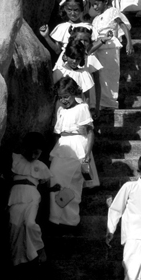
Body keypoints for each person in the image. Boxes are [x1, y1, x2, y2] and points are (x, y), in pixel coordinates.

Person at [49, 78, 98, 226]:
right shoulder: (60, 109)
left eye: (66, 96)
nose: (63, 100)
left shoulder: (82, 108)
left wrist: (87, 156)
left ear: (73, 93)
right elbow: (58, 132)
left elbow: (90, 133)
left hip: (77, 149)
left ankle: (70, 220)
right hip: (62, 148)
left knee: (73, 185)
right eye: (60, 97)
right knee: (54, 178)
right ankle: (56, 218)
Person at [8, 133, 55, 266]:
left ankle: (40, 249)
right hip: (15, 195)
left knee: (29, 223)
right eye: (31, 152)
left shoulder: (41, 166)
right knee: (14, 226)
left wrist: (54, 189)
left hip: (32, 196)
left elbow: (46, 188)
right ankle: (17, 261)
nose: (33, 156)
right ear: (24, 148)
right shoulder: (15, 159)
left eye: (37, 153)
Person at [87, 0, 132, 111]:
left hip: (110, 48)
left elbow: (122, 25)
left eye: (97, 3)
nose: (95, 7)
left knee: (110, 75)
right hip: (98, 48)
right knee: (100, 77)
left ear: (105, 1)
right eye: (92, 4)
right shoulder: (95, 19)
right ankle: (100, 102)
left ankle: (111, 102)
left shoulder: (112, 12)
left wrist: (129, 43)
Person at [53, 36, 101, 115]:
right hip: (61, 111)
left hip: (78, 112)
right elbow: (54, 95)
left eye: (78, 58)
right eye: (72, 57)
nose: (75, 61)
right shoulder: (59, 72)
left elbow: (87, 98)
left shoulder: (83, 74)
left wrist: (86, 114)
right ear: (65, 56)